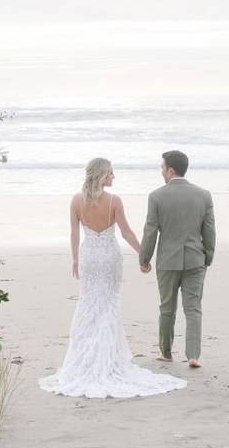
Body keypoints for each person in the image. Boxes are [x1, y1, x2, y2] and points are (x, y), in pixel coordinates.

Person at [39, 158, 187, 398]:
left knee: (88, 304)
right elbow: (126, 232)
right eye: (110, 173)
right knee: (109, 305)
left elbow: (74, 232)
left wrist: (75, 259)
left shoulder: (76, 200)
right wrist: (144, 256)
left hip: (89, 256)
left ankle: (85, 357)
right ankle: (107, 358)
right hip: (109, 256)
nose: (113, 177)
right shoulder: (114, 201)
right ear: (101, 176)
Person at [139, 150, 216, 368]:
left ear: (171, 170)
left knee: (167, 308)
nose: (161, 172)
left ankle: (166, 352)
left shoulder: (156, 196)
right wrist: (208, 256)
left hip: (168, 261)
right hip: (195, 259)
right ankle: (193, 356)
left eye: (162, 168)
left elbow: (150, 231)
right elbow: (209, 229)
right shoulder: (203, 195)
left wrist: (144, 259)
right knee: (193, 308)